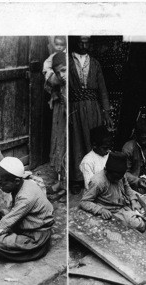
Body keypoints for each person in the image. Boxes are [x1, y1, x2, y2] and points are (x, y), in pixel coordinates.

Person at [69, 36, 113, 186]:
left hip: (93, 108)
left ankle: (96, 177)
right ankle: (77, 179)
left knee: (93, 140)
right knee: (76, 141)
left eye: (86, 41)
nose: (83, 44)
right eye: (80, 41)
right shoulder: (68, 62)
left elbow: (103, 89)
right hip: (75, 107)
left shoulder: (95, 64)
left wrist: (106, 111)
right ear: (76, 42)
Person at [80, 152, 146, 232]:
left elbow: (126, 187)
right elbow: (84, 202)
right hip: (112, 211)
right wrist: (101, 210)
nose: (117, 180)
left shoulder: (121, 175)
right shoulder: (97, 181)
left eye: (119, 177)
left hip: (124, 204)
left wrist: (133, 200)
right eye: (115, 177)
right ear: (106, 170)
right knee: (138, 224)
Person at [45, 52, 67, 197]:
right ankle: (62, 181)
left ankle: (67, 183)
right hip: (64, 115)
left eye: (64, 71)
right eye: (58, 73)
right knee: (62, 145)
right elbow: (50, 78)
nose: (62, 75)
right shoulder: (61, 81)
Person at [79, 125, 113, 189]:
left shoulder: (109, 154)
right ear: (94, 145)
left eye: (109, 147)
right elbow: (90, 187)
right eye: (105, 148)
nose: (108, 150)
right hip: (98, 194)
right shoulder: (87, 162)